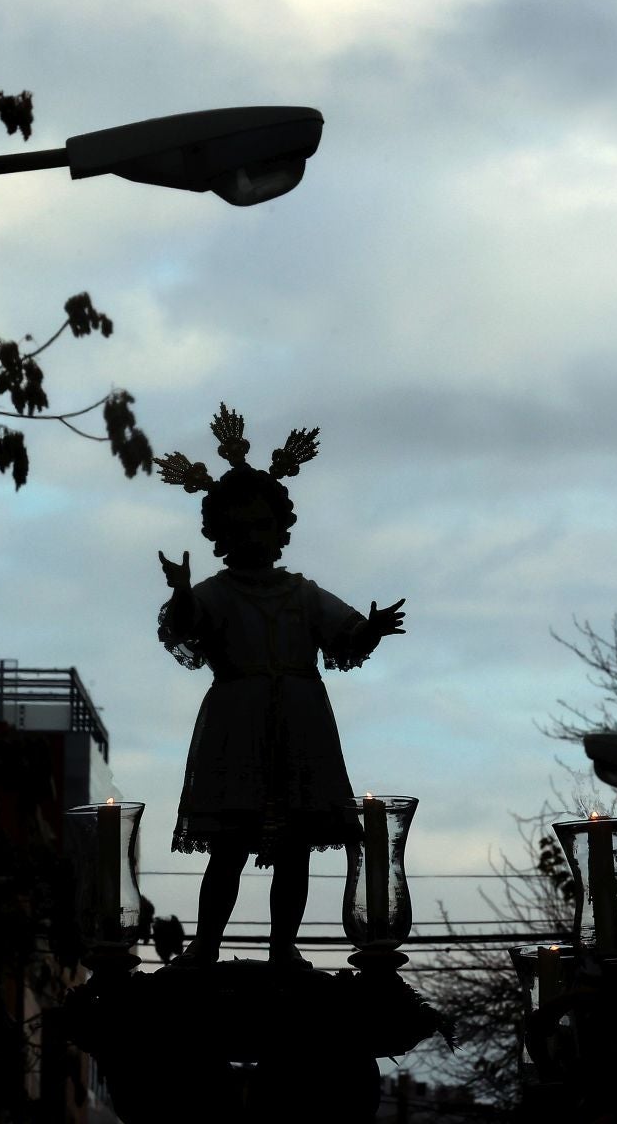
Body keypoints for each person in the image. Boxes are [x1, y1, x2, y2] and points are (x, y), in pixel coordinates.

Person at [153, 406, 406, 967]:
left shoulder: (301, 592)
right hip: (237, 722)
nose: (252, 537)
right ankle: (207, 945)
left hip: (300, 720)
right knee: (229, 846)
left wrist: (370, 629)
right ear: (220, 534)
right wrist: (182, 592)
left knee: (295, 848)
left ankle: (282, 947)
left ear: (280, 528)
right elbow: (186, 624)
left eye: (261, 525)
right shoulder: (217, 592)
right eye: (239, 528)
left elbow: (344, 635)